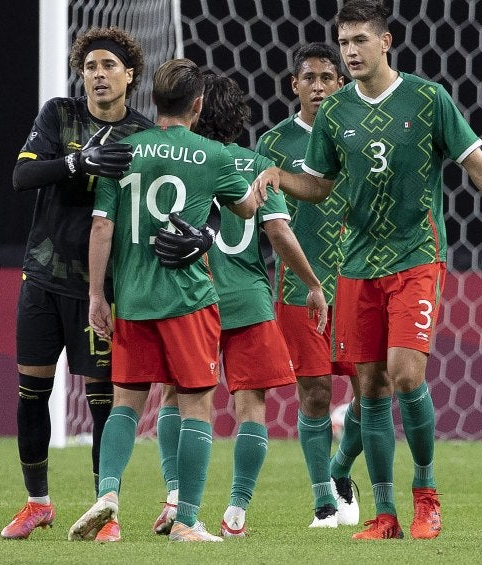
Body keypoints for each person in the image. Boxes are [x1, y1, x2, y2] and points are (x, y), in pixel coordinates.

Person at [255, 0, 482, 540]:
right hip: (356, 263)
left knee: (406, 374)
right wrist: (279, 176)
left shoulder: (426, 99)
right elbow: (322, 186)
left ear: (385, 41)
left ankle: (427, 495)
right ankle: (385, 514)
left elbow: (478, 166)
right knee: (370, 389)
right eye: (343, 41)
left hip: (417, 255)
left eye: (358, 41)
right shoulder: (334, 113)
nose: (350, 52)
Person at [67, 58, 258, 544]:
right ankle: (187, 520)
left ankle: (108, 495)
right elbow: (249, 207)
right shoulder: (213, 155)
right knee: (196, 405)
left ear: (154, 99)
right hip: (188, 299)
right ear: (198, 104)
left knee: (127, 403)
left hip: (131, 300)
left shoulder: (121, 150)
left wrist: (96, 294)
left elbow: (102, 226)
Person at [149, 73, 329, 538]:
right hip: (248, 299)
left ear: (195, 109)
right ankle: (237, 510)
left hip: (190, 297)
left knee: (176, 396)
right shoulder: (254, 163)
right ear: (235, 117)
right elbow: (278, 233)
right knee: (251, 406)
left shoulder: (178, 161)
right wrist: (312, 283)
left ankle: (175, 496)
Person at [1, 26, 153, 540]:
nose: (97, 75)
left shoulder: (144, 135)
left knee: (102, 402)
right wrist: (74, 161)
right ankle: (37, 502)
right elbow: (22, 177)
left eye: (108, 65)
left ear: (129, 75)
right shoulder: (58, 115)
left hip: (104, 288)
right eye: (90, 67)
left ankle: (103, 509)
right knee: (30, 393)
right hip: (43, 276)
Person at [256, 43, 363, 529]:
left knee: (375, 390)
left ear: (341, 83)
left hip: (361, 283)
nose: (318, 86)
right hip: (301, 291)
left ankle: (341, 472)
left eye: (327, 77)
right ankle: (324, 499)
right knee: (316, 394)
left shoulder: (359, 134)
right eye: (309, 78)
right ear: (294, 84)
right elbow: (259, 222)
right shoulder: (273, 145)